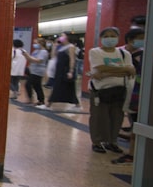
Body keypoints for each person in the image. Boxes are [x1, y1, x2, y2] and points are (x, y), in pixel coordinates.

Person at [87, 26, 135, 154]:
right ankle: (97, 142)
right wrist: (122, 70)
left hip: (120, 90)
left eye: (112, 36)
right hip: (99, 90)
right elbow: (99, 69)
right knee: (99, 117)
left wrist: (107, 70)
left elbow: (132, 71)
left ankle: (112, 142)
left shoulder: (124, 54)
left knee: (117, 117)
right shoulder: (95, 52)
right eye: (106, 36)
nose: (110, 38)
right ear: (101, 38)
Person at [113, 27, 145, 164]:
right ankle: (131, 152)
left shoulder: (144, 54)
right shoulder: (119, 52)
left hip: (138, 92)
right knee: (133, 121)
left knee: (137, 124)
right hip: (127, 90)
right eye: (140, 38)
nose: (142, 41)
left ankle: (133, 154)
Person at [49, 35, 81, 111]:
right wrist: (54, 46)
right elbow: (53, 56)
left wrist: (71, 71)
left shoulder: (71, 47)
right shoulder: (61, 47)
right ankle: (77, 104)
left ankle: (48, 104)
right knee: (67, 88)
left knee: (59, 86)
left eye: (62, 36)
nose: (60, 38)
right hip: (59, 70)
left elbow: (72, 59)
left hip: (65, 70)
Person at [24, 37, 49, 107]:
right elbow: (31, 59)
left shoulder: (44, 52)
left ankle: (30, 99)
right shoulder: (35, 51)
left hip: (38, 71)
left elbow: (39, 61)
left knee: (28, 84)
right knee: (37, 86)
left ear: (41, 43)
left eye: (36, 43)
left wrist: (27, 56)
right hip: (33, 70)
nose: (34, 45)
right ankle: (41, 100)